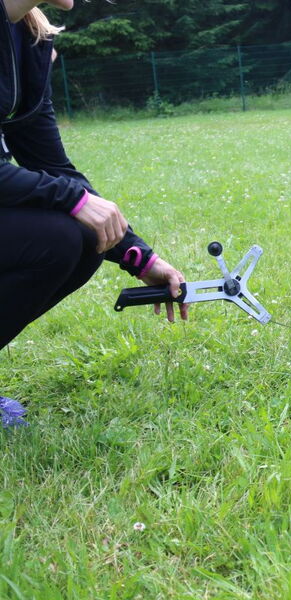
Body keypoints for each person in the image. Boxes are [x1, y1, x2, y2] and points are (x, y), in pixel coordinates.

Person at [1, 0, 187, 425]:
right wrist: (73, 199)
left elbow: (51, 163)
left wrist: (140, 257)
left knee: (84, 240)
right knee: (63, 234)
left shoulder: (29, 37)